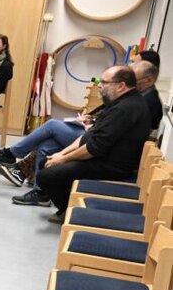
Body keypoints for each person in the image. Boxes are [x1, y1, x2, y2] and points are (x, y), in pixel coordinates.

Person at [35, 66, 152, 222]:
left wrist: (63, 159)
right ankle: (70, 207)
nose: (100, 86)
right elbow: (88, 135)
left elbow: (94, 148)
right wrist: (61, 154)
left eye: (104, 82)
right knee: (46, 162)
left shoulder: (124, 109)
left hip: (112, 167)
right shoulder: (122, 102)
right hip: (103, 158)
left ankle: (69, 211)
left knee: (45, 176)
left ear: (121, 86)